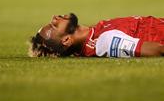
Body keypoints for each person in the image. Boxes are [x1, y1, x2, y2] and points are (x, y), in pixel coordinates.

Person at [29, 13, 164, 58]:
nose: (54, 18)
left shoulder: (94, 31)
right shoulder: (104, 42)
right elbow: (158, 49)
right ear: (66, 40)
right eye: (53, 26)